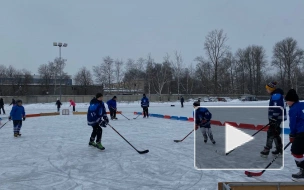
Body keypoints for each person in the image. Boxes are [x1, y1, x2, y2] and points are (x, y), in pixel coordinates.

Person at [260, 81, 286, 158]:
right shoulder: (276, 94)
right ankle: (279, 149)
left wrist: (274, 118)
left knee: (270, 132)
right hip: (276, 118)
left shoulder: (276, 95)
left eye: (267, 89)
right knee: (275, 133)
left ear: (271, 89)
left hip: (276, 118)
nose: (266, 90)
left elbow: (277, 107)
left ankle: (267, 149)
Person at [285, 89, 304, 181]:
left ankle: (303, 170)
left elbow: (293, 124)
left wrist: (292, 134)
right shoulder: (302, 105)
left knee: (295, 151)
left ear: (291, 100)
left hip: (302, 133)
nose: (286, 102)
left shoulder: (293, 109)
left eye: (287, 100)